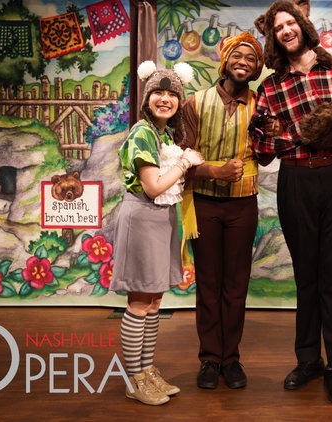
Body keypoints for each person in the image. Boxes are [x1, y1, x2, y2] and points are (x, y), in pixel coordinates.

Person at [252, 0, 332, 406]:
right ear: (273, 38)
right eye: (278, 28)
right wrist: (310, 133)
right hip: (296, 182)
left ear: (304, 27)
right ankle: (308, 360)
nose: (286, 30)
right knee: (306, 276)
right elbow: (263, 146)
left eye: (291, 23)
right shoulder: (270, 88)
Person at [109, 60, 204, 406]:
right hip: (143, 216)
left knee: (154, 301)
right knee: (139, 302)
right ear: (146, 98)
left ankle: (147, 369)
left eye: (172, 94)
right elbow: (153, 187)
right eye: (158, 93)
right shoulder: (142, 133)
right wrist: (186, 161)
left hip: (162, 218)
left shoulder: (163, 133)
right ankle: (134, 378)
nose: (165, 99)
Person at [181, 33, 264, 390]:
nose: (243, 62)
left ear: (257, 68)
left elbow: (267, 153)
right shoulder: (195, 103)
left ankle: (231, 359)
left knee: (236, 283)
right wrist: (215, 171)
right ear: (225, 60)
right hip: (204, 202)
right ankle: (210, 358)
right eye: (237, 56)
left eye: (251, 58)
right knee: (209, 282)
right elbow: (182, 158)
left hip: (243, 204)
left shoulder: (261, 105)